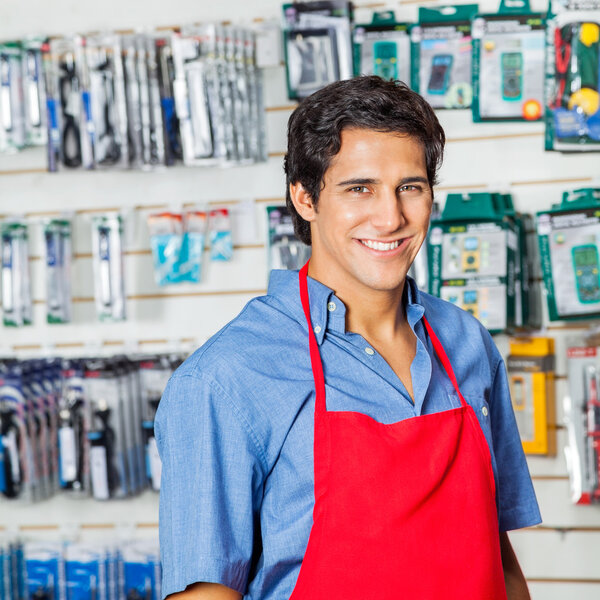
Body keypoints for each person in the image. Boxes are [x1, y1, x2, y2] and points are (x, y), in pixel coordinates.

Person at [155, 76, 542, 600]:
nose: (391, 218)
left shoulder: (466, 343)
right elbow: (204, 592)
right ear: (304, 197)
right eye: (360, 188)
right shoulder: (225, 379)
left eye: (411, 187)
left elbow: (494, 553)